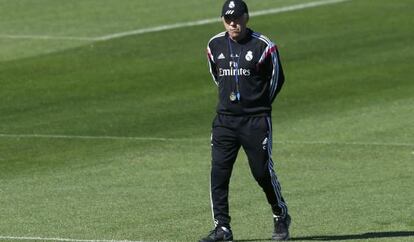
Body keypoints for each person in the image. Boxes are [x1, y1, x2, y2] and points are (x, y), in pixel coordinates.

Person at [200, 0, 291, 241]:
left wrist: (257, 106)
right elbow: (217, 76)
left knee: (261, 172)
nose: (233, 23)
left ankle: (280, 214)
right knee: (219, 172)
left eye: (237, 18)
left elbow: (276, 80)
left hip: (255, 120)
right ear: (223, 20)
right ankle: (222, 227)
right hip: (225, 121)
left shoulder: (263, 46)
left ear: (246, 17)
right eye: (228, 19)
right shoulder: (214, 45)